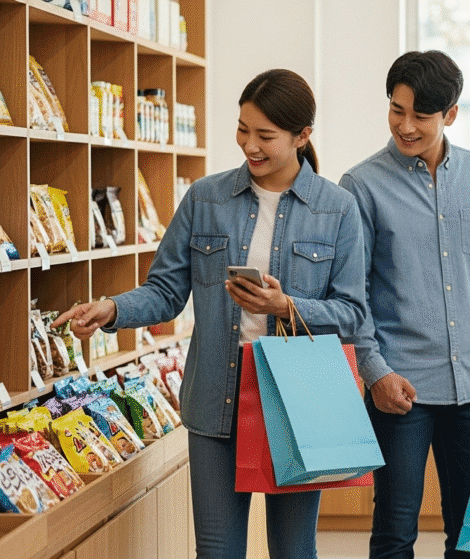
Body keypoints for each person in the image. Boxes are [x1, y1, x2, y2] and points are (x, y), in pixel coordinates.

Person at [56, 69, 367, 558]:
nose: (250, 145)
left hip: (298, 401)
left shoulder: (338, 209)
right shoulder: (206, 198)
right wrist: (113, 308)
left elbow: (352, 314)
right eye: (243, 129)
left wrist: (286, 305)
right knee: (217, 551)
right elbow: (165, 292)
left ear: (303, 135)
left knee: (293, 550)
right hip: (215, 397)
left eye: (265, 136)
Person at [339, 50, 470, 559]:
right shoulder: (361, 185)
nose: (405, 125)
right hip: (401, 388)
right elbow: (352, 295)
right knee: (395, 532)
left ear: (451, 113)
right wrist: (374, 372)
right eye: (396, 110)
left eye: (420, 115)